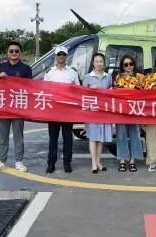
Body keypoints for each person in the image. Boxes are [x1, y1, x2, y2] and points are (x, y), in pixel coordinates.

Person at [0, 41, 32, 173]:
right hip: (3, 106)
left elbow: (30, 87)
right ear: (7, 53)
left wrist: (13, 81)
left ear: (20, 53)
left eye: (16, 51)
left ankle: (18, 161)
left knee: (18, 136)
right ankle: (2, 160)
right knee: (3, 136)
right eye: (11, 51)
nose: (14, 53)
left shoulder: (26, 68)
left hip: (18, 107)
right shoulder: (1, 67)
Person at [44, 45, 80, 173]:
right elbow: (45, 90)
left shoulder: (72, 72)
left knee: (68, 138)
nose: (61, 56)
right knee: (53, 138)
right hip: (53, 110)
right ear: (56, 56)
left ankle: (67, 163)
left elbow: (78, 88)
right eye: (59, 54)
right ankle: (51, 163)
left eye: (63, 54)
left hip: (68, 109)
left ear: (67, 56)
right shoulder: (49, 72)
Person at [113, 54, 145, 172]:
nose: (128, 66)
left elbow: (146, 92)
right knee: (121, 134)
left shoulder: (140, 77)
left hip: (135, 110)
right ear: (122, 66)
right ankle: (122, 160)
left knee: (135, 134)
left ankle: (133, 160)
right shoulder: (117, 77)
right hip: (121, 110)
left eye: (131, 64)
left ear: (134, 65)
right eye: (126, 64)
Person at [82, 53, 112, 174]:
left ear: (104, 63)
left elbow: (111, 91)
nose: (99, 63)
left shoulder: (108, 77)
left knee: (101, 138)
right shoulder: (88, 77)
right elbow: (82, 94)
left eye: (101, 61)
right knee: (93, 137)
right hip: (92, 112)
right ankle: (93, 163)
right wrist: (90, 90)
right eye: (96, 61)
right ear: (93, 63)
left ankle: (99, 162)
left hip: (104, 111)